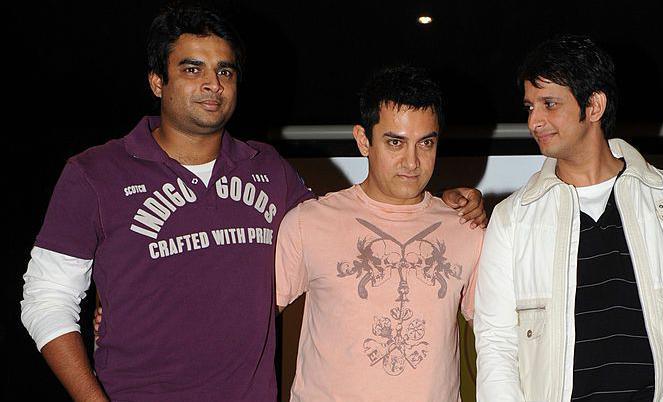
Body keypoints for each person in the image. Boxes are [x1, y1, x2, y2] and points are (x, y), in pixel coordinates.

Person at [21, 4, 486, 401]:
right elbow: (45, 300)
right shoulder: (95, 173)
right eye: (191, 68)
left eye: (225, 70)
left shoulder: (269, 170)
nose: (213, 83)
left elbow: (354, 221)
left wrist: (438, 202)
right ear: (156, 81)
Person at [474, 35, 663, 402]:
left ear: (594, 105)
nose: (534, 120)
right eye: (529, 107)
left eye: (549, 104)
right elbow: (496, 345)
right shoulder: (512, 219)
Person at [274, 65, 484, 401]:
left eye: (425, 143)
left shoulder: (467, 229)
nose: (412, 162)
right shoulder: (308, 223)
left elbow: (498, 339)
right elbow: (251, 327)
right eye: (395, 142)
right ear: (363, 140)